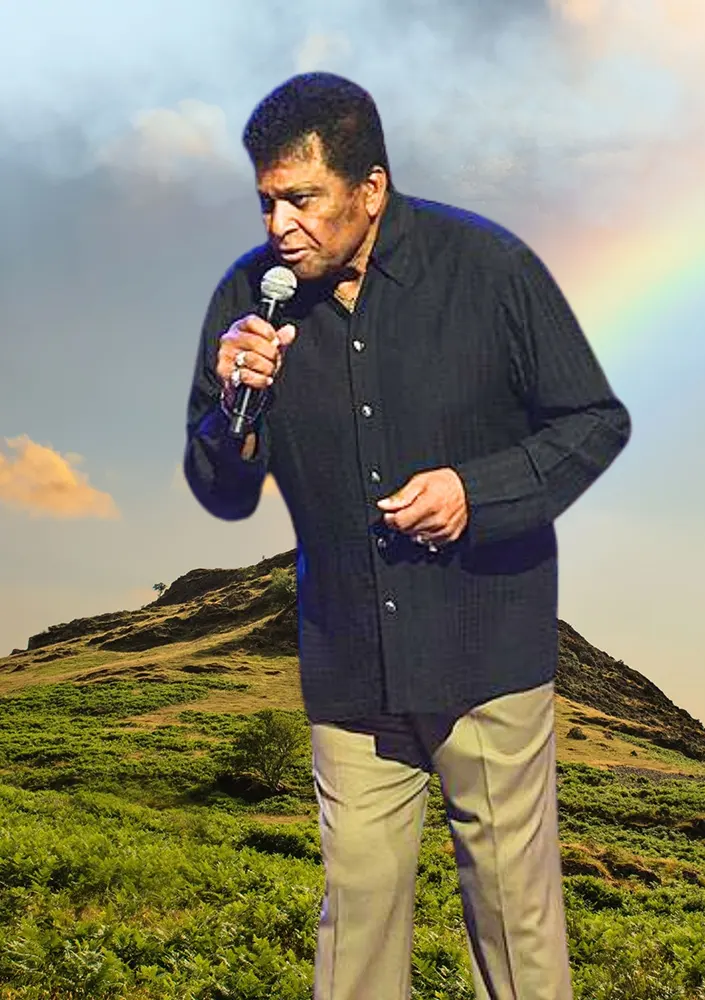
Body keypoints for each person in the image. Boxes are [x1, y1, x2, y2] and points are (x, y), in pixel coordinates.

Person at [184, 72, 631, 1000]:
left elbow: (594, 421)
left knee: (515, 930)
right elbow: (221, 489)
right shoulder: (247, 297)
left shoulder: (491, 269)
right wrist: (234, 410)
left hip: (486, 658)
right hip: (352, 666)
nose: (279, 226)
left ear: (371, 188)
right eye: (267, 201)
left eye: (303, 199)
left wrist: (477, 492)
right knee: (355, 932)